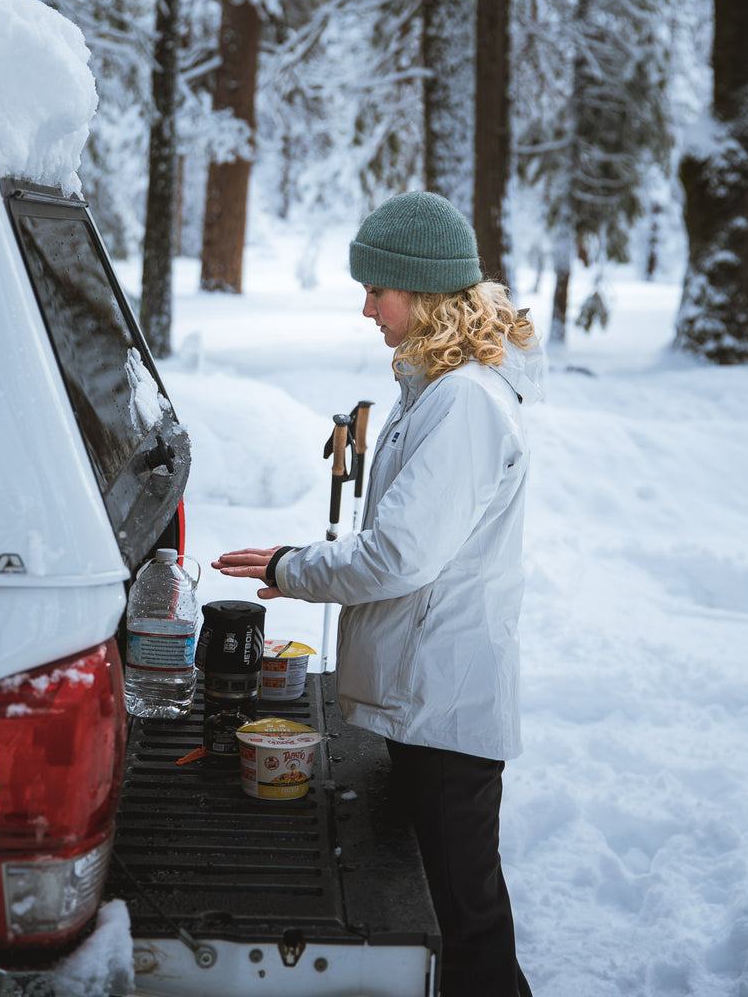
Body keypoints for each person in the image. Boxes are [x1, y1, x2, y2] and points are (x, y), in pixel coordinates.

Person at [212, 191, 542, 997]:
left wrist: (293, 568)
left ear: (422, 291)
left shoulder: (463, 401)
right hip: (424, 695)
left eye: (377, 290)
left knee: (465, 927)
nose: (366, 309)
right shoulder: (435, 389)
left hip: (443, 707)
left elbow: (399, 555)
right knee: (450, 914)